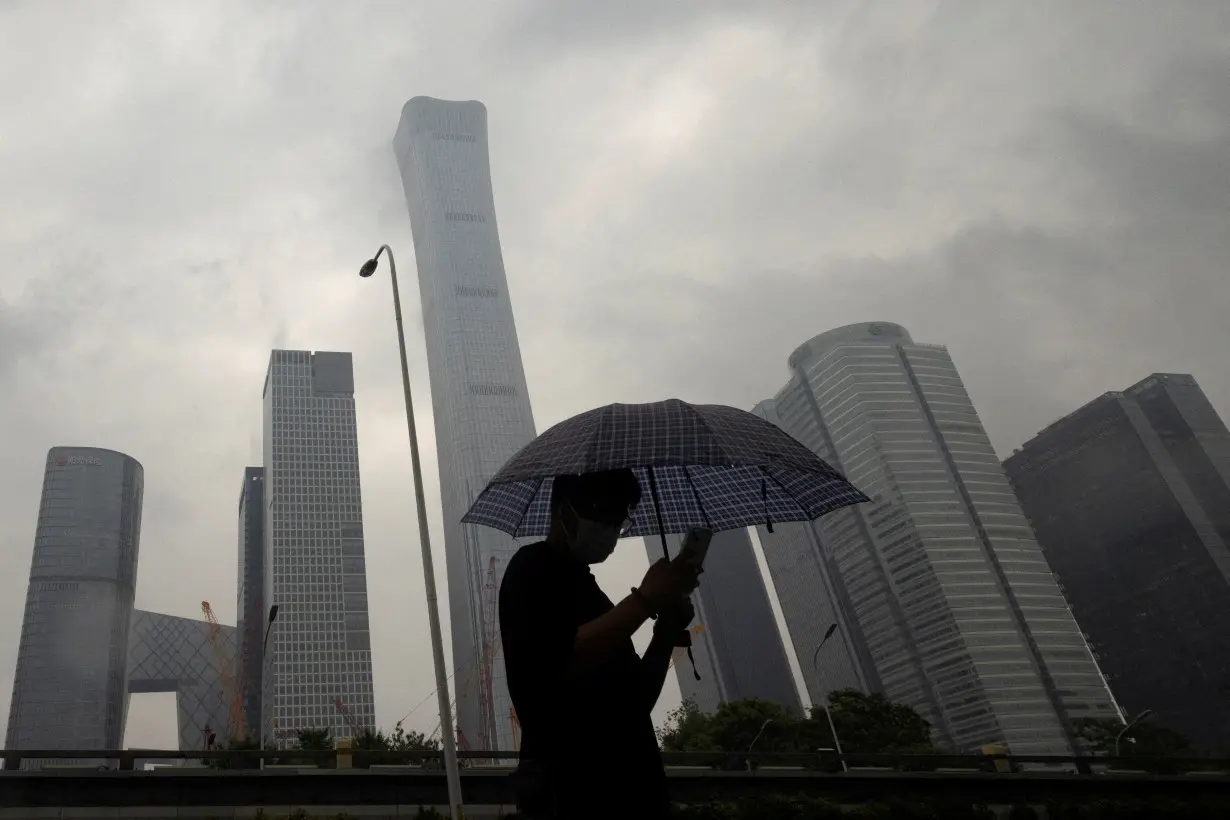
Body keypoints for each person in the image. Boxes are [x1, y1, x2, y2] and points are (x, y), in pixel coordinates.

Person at [499, 469, 700, 819]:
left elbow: (635, 702)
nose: (610, 528)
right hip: (572, 791)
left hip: (634, 788)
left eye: (619, 518)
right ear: (565, 510)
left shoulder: (595, 594)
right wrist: (645, 600)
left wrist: (666, 630)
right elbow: (562, 660)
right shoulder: (531, 570)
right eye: (603, 513)